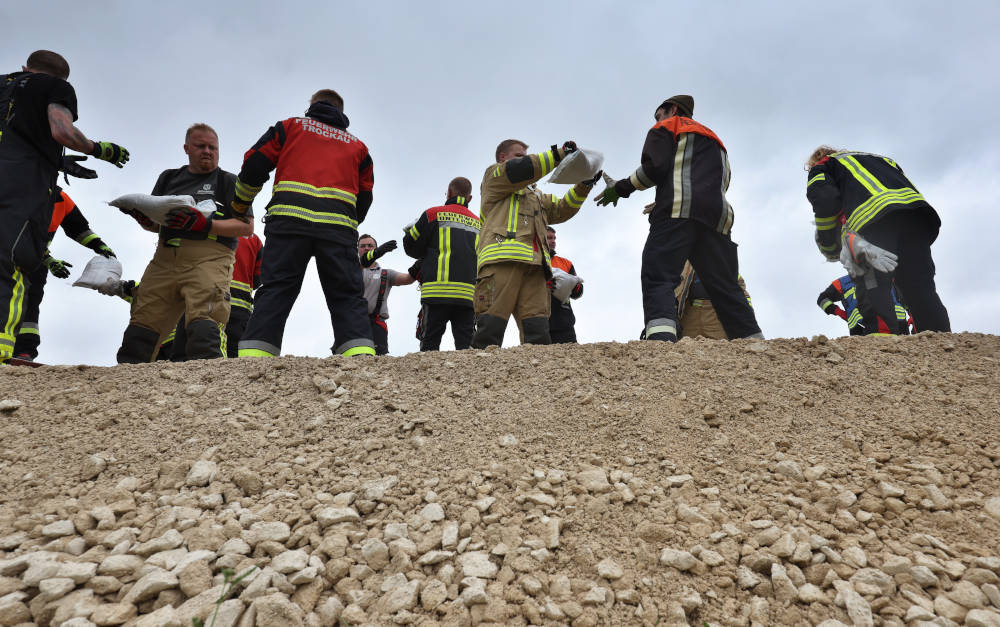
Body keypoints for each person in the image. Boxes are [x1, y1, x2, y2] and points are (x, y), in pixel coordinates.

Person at [596, 94, 762, 342]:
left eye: (658, 114)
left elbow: (655, 168)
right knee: (725, 286)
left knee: (659, 275)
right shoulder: (716, 141)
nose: (657, 120)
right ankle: (754, 343)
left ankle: (660, 342)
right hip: (718, 219)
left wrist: (621, 187)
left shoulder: (667, 127)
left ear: (672, 109)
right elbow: (721, 181)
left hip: (676, 214)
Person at [0, 50, 128, 362]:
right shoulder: (55, 88)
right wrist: (100, 149)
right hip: (20, 185)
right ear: (61, 79)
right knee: (12, 264)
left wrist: (55, 159)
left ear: (24, 68)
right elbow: (62, 130)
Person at [232, 89, 376, 358]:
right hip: (338, 230)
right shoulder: (358, 147)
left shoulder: (290, 127)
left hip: (289, 224)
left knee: (276, 289)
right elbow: (365, 196)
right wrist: (348, 223)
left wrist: (240, 205)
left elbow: (254, 165)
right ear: (341, 113)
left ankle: (255, 358)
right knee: (346, 295)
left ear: (312, 106)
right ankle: (359, 357)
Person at [116, 123, 251, 362]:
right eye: (201, 146)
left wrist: (206, 224)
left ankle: (208, 388)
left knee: (204, 323)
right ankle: (129, 389)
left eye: (213, 147)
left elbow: (247, 226)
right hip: (165, 259)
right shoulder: (169, 178)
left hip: (210, 258)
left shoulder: (228, 182)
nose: (207, 151)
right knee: (142, 324)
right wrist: (144, 220)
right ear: (187, 148)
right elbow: (158, 223)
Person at [805, 145, 949, 334]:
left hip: (874, 219)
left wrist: (829, 244)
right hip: (917, 217)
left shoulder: (823, 166)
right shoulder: (882, 160)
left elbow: (826, 201)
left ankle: (883, 343)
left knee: (871, 279)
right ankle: (939, 341)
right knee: (918, 285)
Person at [472, 139, 600, 347]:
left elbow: (562, 209)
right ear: (502, 158)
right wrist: (558, 154)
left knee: (538, 334)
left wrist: (584, 185)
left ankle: (536, 379)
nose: (523, 159)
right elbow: (521, 170)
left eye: (525, 155)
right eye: (518, 155)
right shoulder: (493, 176)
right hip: (501, 261)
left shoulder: (536, 196)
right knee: (490, 330)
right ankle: (478, 376)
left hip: (536, 269)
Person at [12, 189, 116, 361]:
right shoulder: (19, 189)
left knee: (30, 304)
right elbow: (16, 234)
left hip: (35, 261)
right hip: (7, 256)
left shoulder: (61, 198)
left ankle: (24, 351)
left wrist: (99, 245)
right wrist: (48, 260)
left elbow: (79, 228)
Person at [403, 177, 480, 351]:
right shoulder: (479, 224)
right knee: (466, 349)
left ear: (449, 193)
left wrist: (411, 232)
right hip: (466, 297)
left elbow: (411, 248)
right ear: (470, 198)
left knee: (429, 347)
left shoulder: (432, 214)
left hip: (436, 294)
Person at [167, 232, 264, 360]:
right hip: (239, 310)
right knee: (232, 361)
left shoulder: (198, 230)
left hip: (199, 304)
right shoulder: (252, 238)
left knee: (183, 356)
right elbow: (259, 276)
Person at [358, 234, 415, 355]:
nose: (366, 248)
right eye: (362, 246)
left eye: (370, 246)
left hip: (377, 325)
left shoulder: (386, 274)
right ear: (357, 249)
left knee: (378, 363)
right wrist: (376, 253)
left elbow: (408, 279)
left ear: (376, 247)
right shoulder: (350, 269)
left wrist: (422, 262)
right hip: (353, 322)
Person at [674, 262, 753, 340]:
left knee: (720, 348)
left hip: (716, 316)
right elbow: (669, 289)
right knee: (686, 348)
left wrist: (747, 316)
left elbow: (741, 292)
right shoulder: (683, 263)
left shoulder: (723, 262)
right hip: (688, 316)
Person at [817, 274, 909, 336]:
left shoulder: (886, 275)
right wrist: (839, 312)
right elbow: (822, 299)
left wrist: (913, 316)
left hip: (898, 325)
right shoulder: (842, 283)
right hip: (861, 328)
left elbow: (905, 295)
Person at [544, 226, 583, 344]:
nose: (553, 241)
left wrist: (573, 285)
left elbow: (578, 293)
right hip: (540, 323)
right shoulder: (532, 261)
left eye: (554, 238)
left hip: (565, 323)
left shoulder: (566, 263)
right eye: (549, 238)